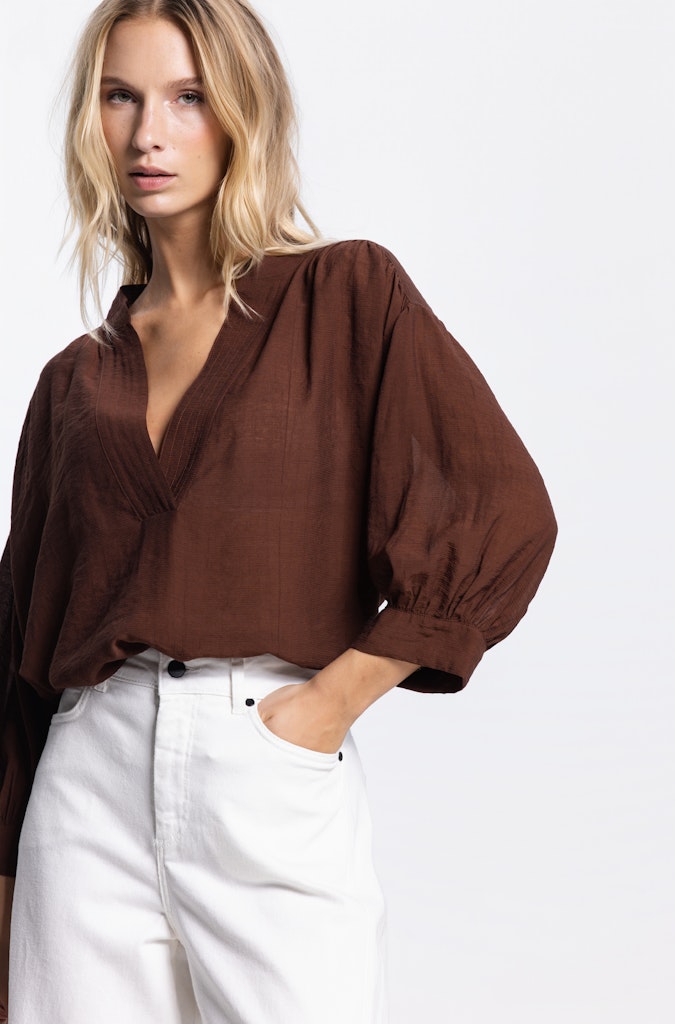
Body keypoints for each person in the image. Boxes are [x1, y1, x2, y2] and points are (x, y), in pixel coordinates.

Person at [0, 0, 558, 1021]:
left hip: (264, 761)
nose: (148, 133)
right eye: (120, 97)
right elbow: (19, 660)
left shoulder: (343, 296)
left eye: (187, 97)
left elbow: (497, 510)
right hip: (83, 788)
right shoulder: (71, 383)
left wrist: (323, 707)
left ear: (242, 112)